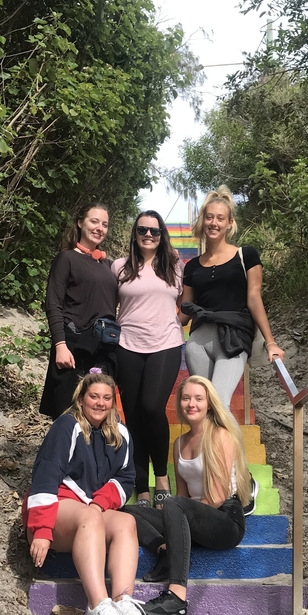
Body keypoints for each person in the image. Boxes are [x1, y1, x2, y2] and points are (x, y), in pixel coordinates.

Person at [23, 372, 148, 615]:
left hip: (90, 512)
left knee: (126, 521)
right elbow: (46, 474)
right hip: (53, 513)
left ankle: (121, 600)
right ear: (81, 399)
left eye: (106, 398)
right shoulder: (66, 426)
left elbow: (125, 479)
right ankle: (97, 606)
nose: (100, 403)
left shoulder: (120, 433)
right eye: (94, 396)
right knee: (90, 518)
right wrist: (42, 531)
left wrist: (100, 503)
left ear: (113, 402)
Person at [127, 376, 252, 615]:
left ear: (209, 404)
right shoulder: (179, 443)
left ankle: (177, 600)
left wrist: (177, 519)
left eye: (198, 398)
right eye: (186, 398)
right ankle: (165, 551)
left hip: (225, 519)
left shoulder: (220, 436)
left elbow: (216, 497)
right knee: (126, 510)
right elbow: (183, 495)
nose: (191, 404)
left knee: (173, 504)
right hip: (192, 516)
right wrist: (175, 526)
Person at [181, 186, 284, 412]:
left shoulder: (246, 256)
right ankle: (205, 449)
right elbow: (184, 311)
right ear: (202, 221)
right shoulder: (192, 266)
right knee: (202, 407)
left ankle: (232, 450)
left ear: (229, 223)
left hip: (234, 337)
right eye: (209, 217)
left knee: (220, 405)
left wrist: (271, 341)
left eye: (220, 218)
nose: (213, 223)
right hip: (199, 340)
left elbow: (254, 299)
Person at [111, 211, 184, 508]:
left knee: (152, 407)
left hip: (165, 344)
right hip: (127, 345)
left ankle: (162, 477)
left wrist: (175, 322)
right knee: (133, 415)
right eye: (142, 229)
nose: (149, 235)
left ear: (162, 234)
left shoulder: (175, 266)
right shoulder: (119, 267)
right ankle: (141, 486)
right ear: (135, 233)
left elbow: (185, 302)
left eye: (154, 231)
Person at [39, 203, 118, 420]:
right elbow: (53, 303)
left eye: (104, 224)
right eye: (94, 221)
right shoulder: (67, 258)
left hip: (103, 348)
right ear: (80, 222)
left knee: (98, 416)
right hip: (73, 346)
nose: (99, 228)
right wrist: (60, 345)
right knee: (67, 414)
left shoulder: (108, 265)